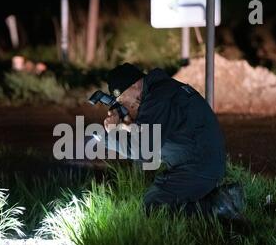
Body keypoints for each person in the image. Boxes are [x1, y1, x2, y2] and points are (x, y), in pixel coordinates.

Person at [101, 63, 244, 218]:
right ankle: (219, 197)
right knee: (162, 199)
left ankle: (218, 207)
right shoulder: (164, 90)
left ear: (135, 85)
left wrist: (112, 135)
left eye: (122, 99)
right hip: (204, 162)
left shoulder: (157, 99)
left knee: (153, 208)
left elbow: (143, 151)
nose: (125, 105)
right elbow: (154, 130)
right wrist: (128, 127)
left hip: (197, 167)